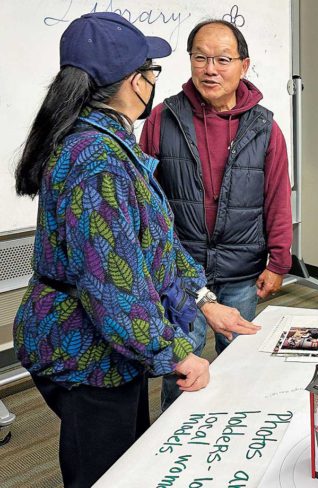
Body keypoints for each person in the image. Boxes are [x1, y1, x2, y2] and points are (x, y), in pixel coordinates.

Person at [12, 13, 258, 487]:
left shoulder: (107, 140)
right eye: (153, 70)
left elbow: (154, 246)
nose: (154, 81)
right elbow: (113, 286)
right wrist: (175, 355)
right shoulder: (97, 162)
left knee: (130, 459)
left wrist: (205, 303)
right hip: (84, 352)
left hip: (106, 348)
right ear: (134, 80)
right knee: (103, 473)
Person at [139, 19, 292, 410]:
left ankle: (232, 426)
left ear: (244, 65)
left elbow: (276, 197)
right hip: (181, 270)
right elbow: (146, 201)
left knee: (239, 355)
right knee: (183, 363)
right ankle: (174, 433)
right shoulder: (163, 119)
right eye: (201, 58)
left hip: (242, 267)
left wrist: (278, 260)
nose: (211, 69)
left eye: (223, 59)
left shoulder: (264, 127)